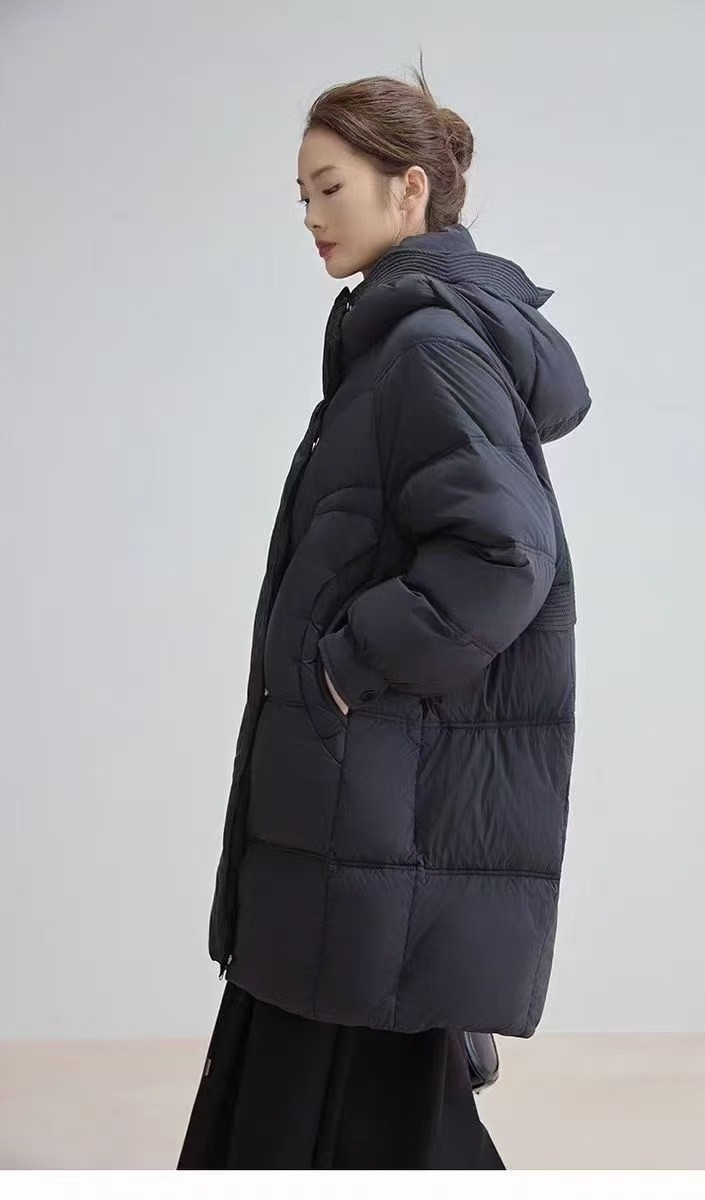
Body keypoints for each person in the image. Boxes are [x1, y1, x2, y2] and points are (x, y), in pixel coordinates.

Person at [177, 53, 592, 1171]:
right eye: (302, 196)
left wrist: (345, 666)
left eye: (331, 188)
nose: (311, 218)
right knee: (328, 1106)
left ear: (410, 190)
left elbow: (506, 553)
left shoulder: (428, 349)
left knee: (342, 1114)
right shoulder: (395, 343)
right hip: (355, 815)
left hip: (371, 813)